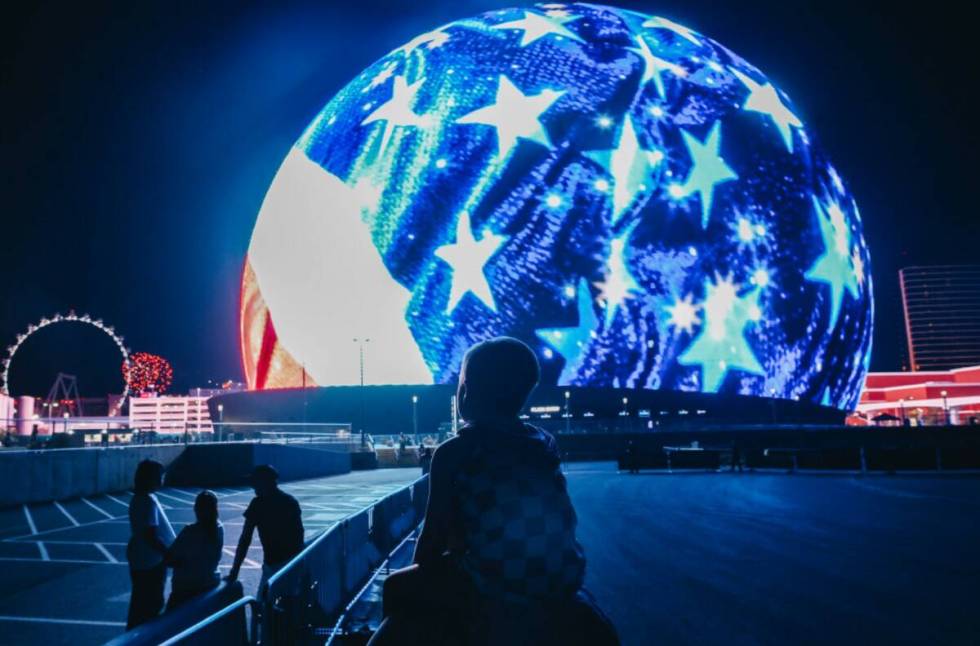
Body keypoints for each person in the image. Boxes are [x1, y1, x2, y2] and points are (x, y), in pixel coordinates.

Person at [369, 337, 618, 645]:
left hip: (496, 578)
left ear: (468, 390)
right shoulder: (543, 442)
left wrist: (425, 571)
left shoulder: (454, 452)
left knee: (396, 585)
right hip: (561, 572)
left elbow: (433, 533)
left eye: (461, 381)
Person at [227, 465, 304, 594]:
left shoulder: (258, 504)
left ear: (264, 482)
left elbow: (245, 539)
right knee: (290, 604)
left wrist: (235, 571)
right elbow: (299, 534)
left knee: (264, 605)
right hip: (293, 563)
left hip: (273, 564)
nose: (253, 487)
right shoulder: (290, 501)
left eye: (255, 482)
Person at [126, 459, 176, 629]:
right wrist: (168, 554)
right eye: (160, 476)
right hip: (151, 560)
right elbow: (151, 535)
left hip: (142, 558)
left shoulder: (141, 498)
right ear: (151, 478)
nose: (162, 479)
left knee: (140, 601)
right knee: (151, 603)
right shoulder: (147, 501)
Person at [166, 490, 224, 610]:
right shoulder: (219, 528)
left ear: (196, 509)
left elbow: (170, 558)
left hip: (186, 586)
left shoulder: (189, 531)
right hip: (209, 581)